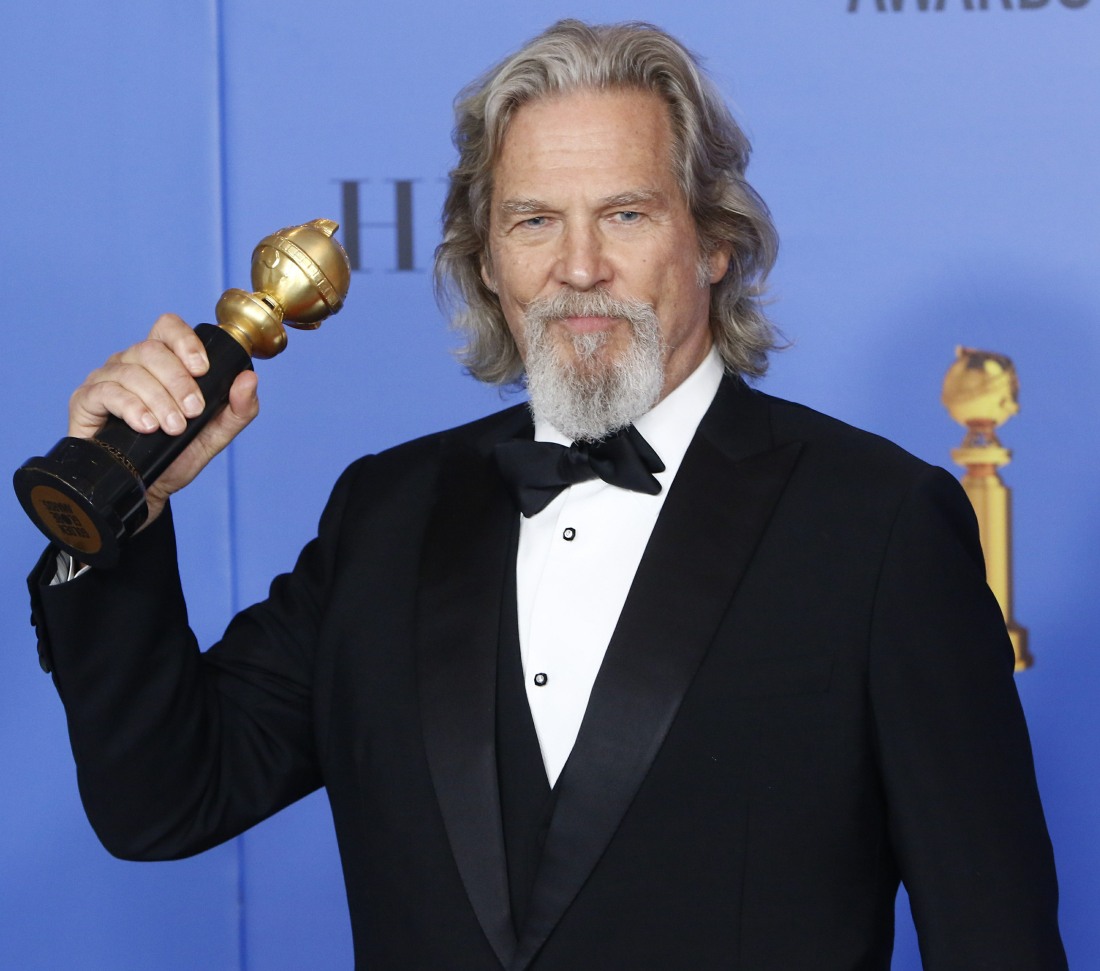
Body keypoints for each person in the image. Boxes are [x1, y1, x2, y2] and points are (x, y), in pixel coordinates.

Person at [28, 19, 1066, 970]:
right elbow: (164, 800)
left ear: (711, 240)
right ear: (487, 263)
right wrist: (126, 511)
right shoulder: (386, 512)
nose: (578, 266)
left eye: (624, 212)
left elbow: (992, 932)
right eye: (532, 220)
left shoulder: (876, 525)